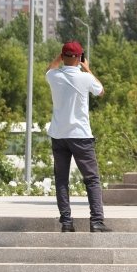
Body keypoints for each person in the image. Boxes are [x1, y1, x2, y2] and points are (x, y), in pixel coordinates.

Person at [45, 41, 110, 232]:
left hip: (59, 135)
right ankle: (96, 222)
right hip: (80, 136)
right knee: (91, 179)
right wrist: (88, 69)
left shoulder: (54, 76)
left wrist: (60, 58)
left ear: (63, 56)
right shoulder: (85, 78)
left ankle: (66, 222)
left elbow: (50, 68)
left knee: (62, 180)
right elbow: (101, 91)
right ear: (79, 58)